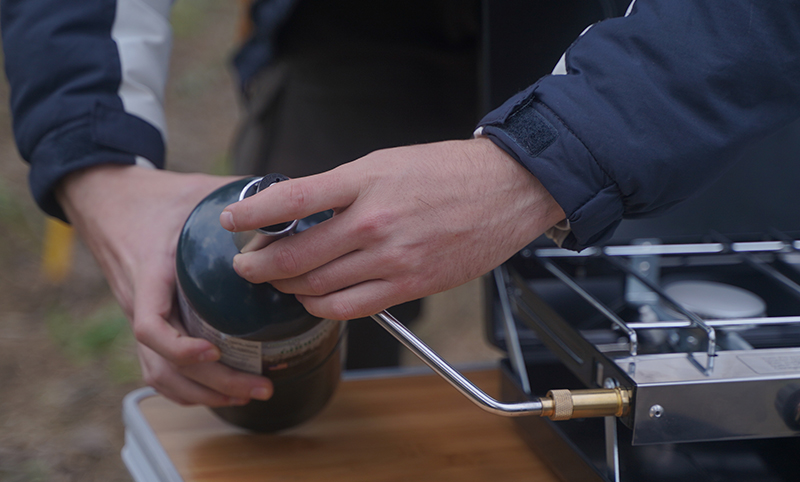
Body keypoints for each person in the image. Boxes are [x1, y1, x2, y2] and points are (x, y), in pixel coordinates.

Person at [3, 0, 800, 408]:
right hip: (353, 27)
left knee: (660, 390)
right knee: (265, 355)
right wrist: (96, 157)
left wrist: (552, 159)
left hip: (648, 30)